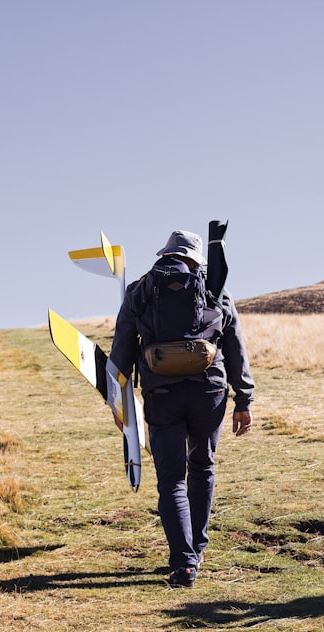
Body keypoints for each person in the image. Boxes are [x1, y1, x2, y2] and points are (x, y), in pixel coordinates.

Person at [109, 230, 255, 587]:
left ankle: (184, 563)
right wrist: (244, 399)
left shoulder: (140, 291)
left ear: (166, 254)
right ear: (195, 258)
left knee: (171, 478)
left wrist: (120, 404)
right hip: (210, 392)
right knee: (202, 465)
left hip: (162, 395)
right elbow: (234, 348)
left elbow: (121, 352)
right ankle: (198, 548)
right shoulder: (217, 290)